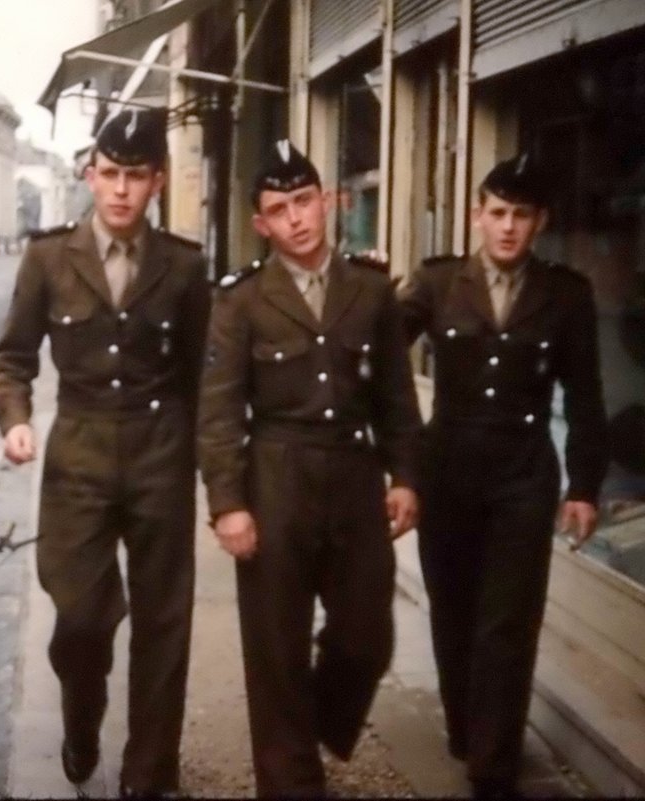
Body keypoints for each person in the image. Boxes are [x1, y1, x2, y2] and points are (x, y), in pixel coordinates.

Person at [0, 107, 209, 796]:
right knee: (81, 619)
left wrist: (217, 472)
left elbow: (204, 377)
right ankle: (83, 722)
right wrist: (15, 419)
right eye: (109, 173)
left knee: (164, 623)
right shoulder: (49, 258)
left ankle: (149, 773)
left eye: (135, 176)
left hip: (161, 456)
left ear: (158, 181)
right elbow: (11, 358)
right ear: (89, 175)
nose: (120, 189)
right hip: (78, 458)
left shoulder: (184, 266)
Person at [198, 140, 422, 797]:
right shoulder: (241, 300)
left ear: (328, 201)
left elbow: (396, 396)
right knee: (276, 651)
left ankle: (321, 719)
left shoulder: (371, 290)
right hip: (276, 478)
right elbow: (218, 411)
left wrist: (405, 476)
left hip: (354, 476)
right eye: (279, 209)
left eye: (304, 201)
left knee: (366, 634)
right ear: (261, 225)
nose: (296, 218)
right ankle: (292, 782)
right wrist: (228, 504)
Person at [398, 153, 609, 798]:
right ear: (476, 216)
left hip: (523, 475)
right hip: (447, 472)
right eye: (497, 213)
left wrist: (583, 487)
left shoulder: (565, 294)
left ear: (539, 222)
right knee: (454, 612)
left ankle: (493, 765)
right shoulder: (437, 283)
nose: (508, 227)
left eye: (521, 215)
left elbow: (586, 396)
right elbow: (379, 354)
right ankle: (468, 731)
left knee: (507, 621)